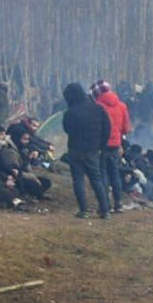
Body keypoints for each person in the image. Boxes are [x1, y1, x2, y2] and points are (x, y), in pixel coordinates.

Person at [62, 82, 111, 219]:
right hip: (93, 150)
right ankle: (104, 210)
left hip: (75, 149)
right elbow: (107, 129)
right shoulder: (98, 108)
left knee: (78, 180)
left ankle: (83, 210)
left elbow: (66, 129)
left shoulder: (70, 112)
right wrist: (101, 145)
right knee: (96, 179)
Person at [94, 81, 132, 213]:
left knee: (102, 173)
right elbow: (126, 128)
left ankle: (105, 204)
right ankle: (118, 203)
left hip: (101, 145)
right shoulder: (122, 106)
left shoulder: (97, 106)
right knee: (114, 173)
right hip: (116, 145)